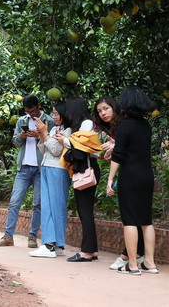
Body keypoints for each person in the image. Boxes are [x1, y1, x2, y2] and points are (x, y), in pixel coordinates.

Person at [106, 86, 159, 275]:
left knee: (129, 220)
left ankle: (133, 265)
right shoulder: (146, 126)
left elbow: (118, 155)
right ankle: (150, 264)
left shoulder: (124, 125)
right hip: (147, 175)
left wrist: (110, 179)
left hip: (130, 176)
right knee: (146, 221)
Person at [0, 94, 55, 248]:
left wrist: (40, 134)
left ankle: (32, 237)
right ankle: (8, 236)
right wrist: (21, 136)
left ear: (39, 106)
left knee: (37, 204)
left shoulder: (49, 121)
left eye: (33, 111)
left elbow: (54, 145)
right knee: (14, 202)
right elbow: (15, 143)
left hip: (41, 168)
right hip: (23, 168)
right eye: (28, 112)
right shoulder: (22, 121)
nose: (31, 115)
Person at [94, 97, 145, 270]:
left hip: (133, 174)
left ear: (115, 108)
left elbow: (126, 150)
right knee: (138, 216)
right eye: (100, 111)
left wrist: (111, 177)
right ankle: (137, 255)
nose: (103, 113)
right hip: (138, 172)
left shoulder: (124, 124)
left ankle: (129, 257)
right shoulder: (120, 126)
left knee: (131, 217)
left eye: (106, 108)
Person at [60, 96, 102, 262]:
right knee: (85, 211)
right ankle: (92, 249)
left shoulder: (86, 124)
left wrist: (63, 141)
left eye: (69, 110)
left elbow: (85, 147)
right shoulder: (84, 124)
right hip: (85, 167)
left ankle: (87, 251)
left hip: (87, 167)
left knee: (85, 211)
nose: (68, 114)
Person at [28, 101, 72, 257]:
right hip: (46, 167)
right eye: (53, 113)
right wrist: (42, 135)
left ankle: (48, 245)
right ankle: (58, 245)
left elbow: (55, 150)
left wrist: (45, 134)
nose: (54, 116)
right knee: (50, 205)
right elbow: (43, 148)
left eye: (56, 114)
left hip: (57, 169)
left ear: (64, 114)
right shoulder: (54, 128)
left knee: (54, 206)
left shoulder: (69, 130)